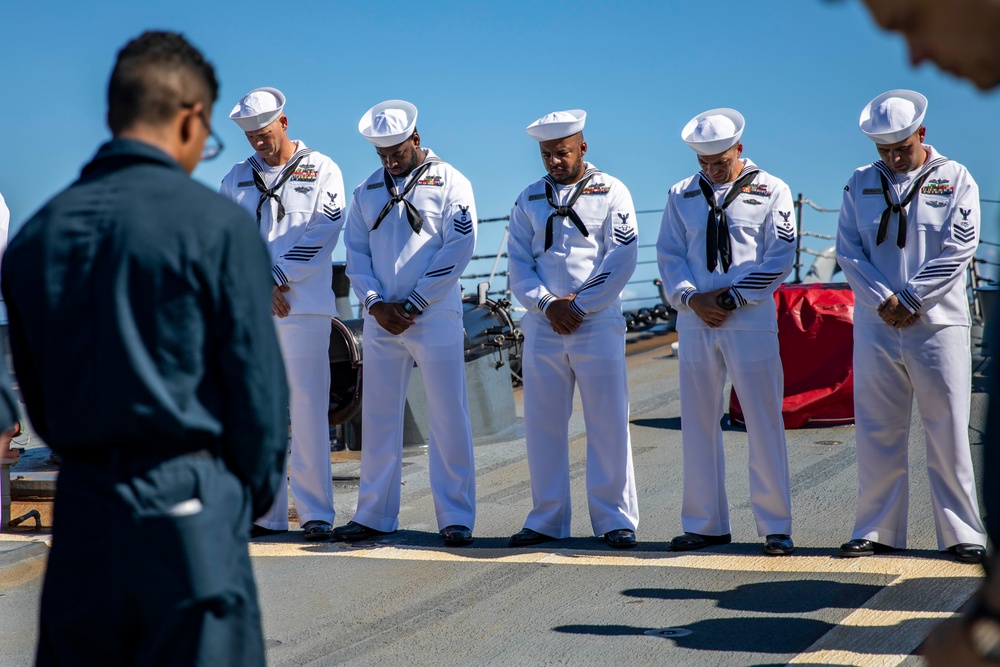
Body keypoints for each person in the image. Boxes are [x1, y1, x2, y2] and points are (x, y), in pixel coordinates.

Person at [1, 31, 288, 665]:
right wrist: (228, 501)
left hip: (82, 517)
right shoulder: (217, 229)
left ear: (113, 115)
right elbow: (259, 406)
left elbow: (41, 408)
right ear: (191, 118)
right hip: (190, 508)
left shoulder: (36, 239)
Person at [835, 89, 987, 564]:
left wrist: (912, 297)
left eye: (902, 148)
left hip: (937, 324)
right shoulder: (859, 183)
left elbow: (960, 248)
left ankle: (963, 531)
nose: (895, 158)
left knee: (946, 428)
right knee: (878, 429)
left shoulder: (955, 178)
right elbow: (848, 250)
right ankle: (876, 528)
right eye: (885, 151)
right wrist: (885, 300)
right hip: (878, 323)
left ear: (922, 134)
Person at [337, 100, 477, 547]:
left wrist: (416, 302)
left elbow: (459, 246)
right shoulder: (366, 191)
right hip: (382, 319)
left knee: (447, 414)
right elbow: (356, 253)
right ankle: (374, 514)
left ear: (415, 140)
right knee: (378, 416)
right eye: (382, 155)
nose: (390, 162)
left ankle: (456, 517)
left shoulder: (451, 181)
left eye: (396, 153)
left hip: (433, 314)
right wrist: (375, 303)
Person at [657, 108, 797, 556]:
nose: (713, 170)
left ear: (739, 148)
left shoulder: (772, 189)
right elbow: (669, 254)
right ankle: (705, 523)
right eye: (704, 162)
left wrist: (732, 298)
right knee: (698, 421)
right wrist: (690, 298)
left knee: (762, 419)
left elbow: (779, 256)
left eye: (720, 160)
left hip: (749, 317)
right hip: (696, 318)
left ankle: (776, 525)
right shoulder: (681, 195)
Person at [505, 110, 639, 549]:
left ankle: (615, 519)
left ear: (582, 147)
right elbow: (519, 264)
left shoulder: (611, 191)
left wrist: (579, 306)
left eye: (561, 152)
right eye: (546, 154)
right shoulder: (528, 199)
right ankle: (546, 518)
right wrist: (547, 304)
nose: (554, 162)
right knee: (542, 424)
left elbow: (620, 258)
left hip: (595, 321)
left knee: (608, 421)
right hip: (544, 323)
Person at [220, 87, 345, 542]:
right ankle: (265, 513)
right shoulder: (235, 178)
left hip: (303, 308)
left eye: (265, 132)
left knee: (308, 409)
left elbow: (325, 229)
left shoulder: (322, 168)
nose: (258, 142)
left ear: (284, 124)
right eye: (251, 135)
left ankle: (315, 513)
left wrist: (276, 275)